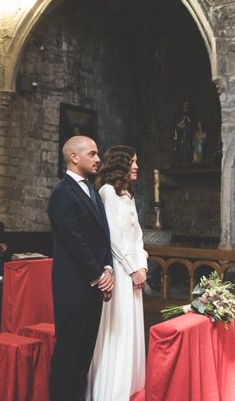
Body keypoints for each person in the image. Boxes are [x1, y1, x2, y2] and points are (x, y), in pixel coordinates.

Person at [47, 136, 113, 401]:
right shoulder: (62, 194)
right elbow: (74, 241)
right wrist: (98, 275)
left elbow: (103, 236)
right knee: (68, 355)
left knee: (84, 355)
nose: (98, 159)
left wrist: (108, 268)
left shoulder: (93, 191)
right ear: (74, 157)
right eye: (93, 154)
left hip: (94, 285)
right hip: (74, 287)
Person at [87, 146, 148, 400]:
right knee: (117, 326)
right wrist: (132, 269)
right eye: (132, 162)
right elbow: (113, 237)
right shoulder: (107, 192)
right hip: (119, 272)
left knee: (131, 327)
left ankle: (131, 384)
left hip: (134, 271)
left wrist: (142, 264)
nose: (136, 167)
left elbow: (137, 237)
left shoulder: (127, 194)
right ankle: (111, 389)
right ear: (120, 165)